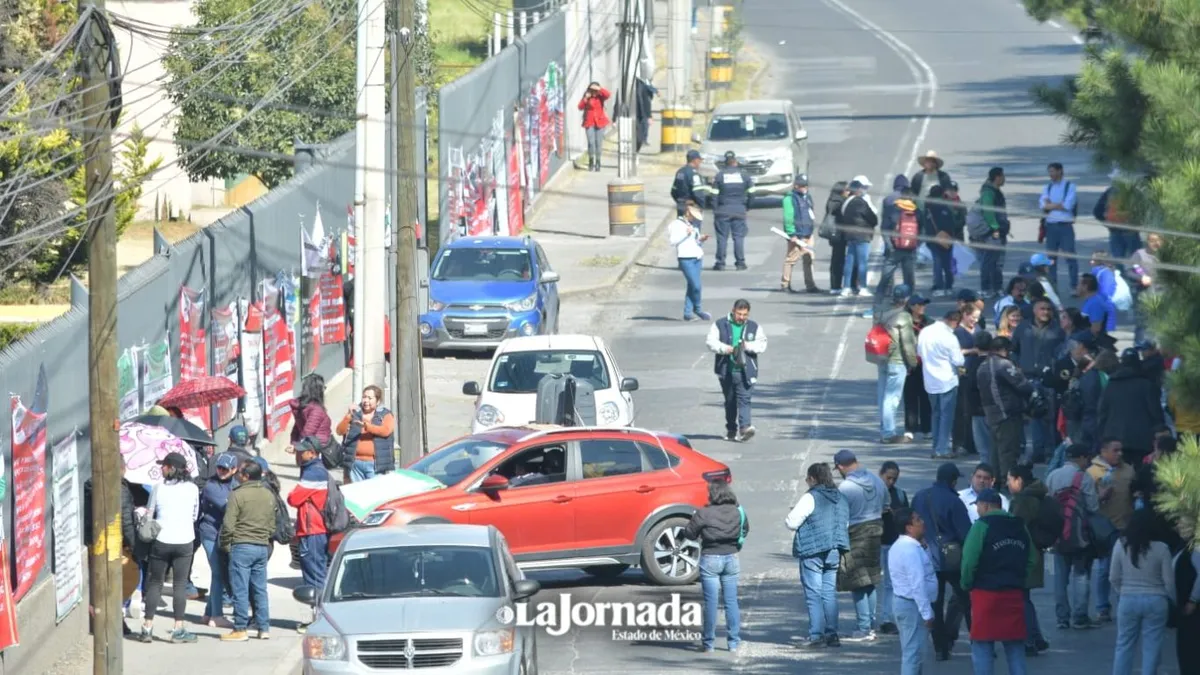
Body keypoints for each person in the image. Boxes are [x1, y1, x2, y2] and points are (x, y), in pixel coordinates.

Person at [960, 488, 1036, 675]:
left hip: (985, 595)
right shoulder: (1020, 526)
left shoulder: (981, 526)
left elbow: (969, 561)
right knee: (1015, 646)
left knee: (983, 645)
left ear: (985, 506)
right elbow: (1033, 558)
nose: (977, 510)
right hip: (1013, 593)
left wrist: (966, 583)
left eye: (978, 506)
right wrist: (1020, 579)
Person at [911, 462, 974, 661]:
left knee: (935, 604)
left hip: (928, 557)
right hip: (953, 559)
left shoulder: (920, 496)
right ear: (953, 481)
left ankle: (940, 647)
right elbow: (966, 533)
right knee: (967, 600)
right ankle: (980, 640)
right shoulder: (954, 501)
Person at [136, 452, 200, 644]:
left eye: (164, 465)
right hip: (185, 540)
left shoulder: (158, 488)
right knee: (180, 584)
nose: (161, 468)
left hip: (162, 540)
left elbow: (149, 513)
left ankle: (147, 627)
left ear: (172, 468)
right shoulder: (192, 488)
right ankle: (178, 628)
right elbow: (195, 515)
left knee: (155, 582)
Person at [786, 462, 850, 649]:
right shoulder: (841, 498)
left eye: (807, 478)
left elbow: (791, 522)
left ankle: (816, 635)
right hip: (835, 550)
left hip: (813, 551)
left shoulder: (811, 497)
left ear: (813, 478)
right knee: (829, 593)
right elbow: (845, 523)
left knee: (813, 593)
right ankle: (832, 634)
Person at [682, 480, 747, 653]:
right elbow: (745, 529)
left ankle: (709, 643)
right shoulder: (737, 511)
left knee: (711, 602)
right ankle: (733, 642)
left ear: (713, 494)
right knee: (731, 601)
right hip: (732, 557)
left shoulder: (704, 513)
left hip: (710, 558)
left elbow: (689, 533)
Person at [1110, 508, 1175, 675]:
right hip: (1156, 599)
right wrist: (1171, 599)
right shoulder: (1162, 548)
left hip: (1128, 598)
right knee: (1152, 645)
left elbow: (1113, 577)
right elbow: (1169, 582)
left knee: (1124, 644)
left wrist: (1122, 591)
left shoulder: (1121, 544)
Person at [1046, 443, 1102, 629]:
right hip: (1079, 536)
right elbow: (1093, 507)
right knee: (1080, 575)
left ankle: (1062, 617)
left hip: (1058, 535)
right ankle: (1080, 616)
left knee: (1060, 579)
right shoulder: (1083, 477)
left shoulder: (1053, 476)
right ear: (1081, 458)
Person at [834, 449, 888, 642]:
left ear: (840, 467)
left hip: (856, 533)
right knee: (870, 580)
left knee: (857, 582)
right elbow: (887, 505)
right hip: (876, 532)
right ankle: (871, 624)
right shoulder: (876, 480)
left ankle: (863, 627)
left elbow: (839, 516)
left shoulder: (845, 488)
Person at [220, 459, 277, 641]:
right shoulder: (268, 495)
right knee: (260, 589)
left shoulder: (237, 495)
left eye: (240, 473)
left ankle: (240, 628)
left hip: (242, 545)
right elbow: (271, 524)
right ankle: (264, 627)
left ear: (245, 476)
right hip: (262, 546)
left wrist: (226, 544)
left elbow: (228, 525)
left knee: (241, 589)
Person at [705, 299, 768, 442]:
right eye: (739, 314)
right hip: (726, 370)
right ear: (733, 311)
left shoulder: (754, 327)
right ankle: (731, 429)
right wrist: (726, 349)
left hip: (746, 371)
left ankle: (745, 428)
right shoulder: (720, 324)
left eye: (745, 314)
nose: (742, 317)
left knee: (745, 399)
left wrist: (747, 346)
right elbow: (710, 342)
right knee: (730, 400)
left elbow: (762, 344)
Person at [1088, 437, 1136, 623]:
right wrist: (1100, 496)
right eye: (1115, 450)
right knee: (1104, 568)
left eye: (1121, 450)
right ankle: (1102, 607)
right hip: (1104, 529)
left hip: (1126, 526)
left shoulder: (1128, 470)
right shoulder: (1092, 473)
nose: (1120, 454)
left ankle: (1123, 605)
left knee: (1126, 569)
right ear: (1104, 451)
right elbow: (1087, 502)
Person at [1012, 298, 1066, 462]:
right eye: (1042, 309)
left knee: (1049, 415)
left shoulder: (1057, 330)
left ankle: (1050, 450)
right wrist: (1017, 365)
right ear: (1035, 310)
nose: (1046, 312)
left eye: (1048, 309)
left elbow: (1062, 352)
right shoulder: (1023, 328)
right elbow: (1014, 349)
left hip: (1048, 379)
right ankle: (1037, 450)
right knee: (1033, 415)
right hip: (1027, 377)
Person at [287, 438, 332, 633]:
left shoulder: (314, 472)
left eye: (302, 451)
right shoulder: (315, 468)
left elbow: (293, 498)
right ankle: (319, 618)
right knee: (316, 575)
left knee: (314, 578)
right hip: (314, 529)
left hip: (313, 530)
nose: (298, 454)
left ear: (312, 453)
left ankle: (320, 621)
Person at [978, 336, 1035, 487]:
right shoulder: (1003, 364)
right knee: (1008, 451)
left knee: (995, 452)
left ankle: (995, 481)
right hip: (1007, 414)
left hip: (991, 414)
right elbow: (1023, 385)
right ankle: (1008, 483)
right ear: (1003, 350)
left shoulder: (982, 366)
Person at [1007, 464, 1051, 656]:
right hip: (1035, 551)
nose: (1007, 484)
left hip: (1023, 554)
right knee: (1024, 598)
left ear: (1018, 480)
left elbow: (1014, 526)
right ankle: (1036, 637)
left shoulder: (1022, 501)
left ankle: (1030, 639)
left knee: (1021, 598)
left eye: (1009, 480)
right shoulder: (1038, 495)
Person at [887, 507, 938, 675]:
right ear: (909, 527)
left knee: (914, 652)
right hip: (912, 606)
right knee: (913, 654)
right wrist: (926, 613)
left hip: (907, 604)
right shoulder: (909, 550)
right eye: (917, 520)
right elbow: (917, 584)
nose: (922, 522)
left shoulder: (907, 546)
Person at [1100, 349, 1166, 466]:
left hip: (1115, 439)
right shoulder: (1146, 385)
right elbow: (1156, 414)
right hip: (1142, 441)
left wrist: (1103, 437)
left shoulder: (1111, 385)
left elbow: (1102, 413)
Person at [198, 452, 240, 628]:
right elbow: (228, 507)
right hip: (210, 532)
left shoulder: (236, 485)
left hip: (224, 534)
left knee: (219, 573)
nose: (221, 471)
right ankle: (216, 616)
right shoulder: (211, 486)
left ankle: (208, 614)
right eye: (219, 467)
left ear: (234, 469)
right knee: (218, 573)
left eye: (225, 468)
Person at [918, 310, 966, 459]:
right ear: (954, 321)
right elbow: (959, 361)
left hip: (930, 379)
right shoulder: (949, 337)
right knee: (946, 415)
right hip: (947, 379)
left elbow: (919, 351)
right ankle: (942, 448)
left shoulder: (925, 331)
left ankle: (936, 446)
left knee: (936, 413)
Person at [878, 284, 919, 444]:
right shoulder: (904, 316)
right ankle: (888, 433)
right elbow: (908, 344)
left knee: (882, 396)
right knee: (892, 398)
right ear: (907, 299)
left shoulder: (882, 311)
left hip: (881, 357)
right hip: (897, 360)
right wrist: (913, 362)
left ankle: (884, 428)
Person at [336, 385, 396, 482]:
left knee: (373, 494)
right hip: (355, 463)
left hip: (375, 464)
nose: (366, 400)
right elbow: (339, 431)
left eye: (370, 398)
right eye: (364, 397)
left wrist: (366, 426)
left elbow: (385, 431)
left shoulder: (385, 414)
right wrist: (348, 416)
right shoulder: (355, 413)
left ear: (378, 401)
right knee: (357, 494)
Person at [878, 461, 911, 635]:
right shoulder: (874, 493)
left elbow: (907, 517)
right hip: (874, 541)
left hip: (893, 543)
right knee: (872, 582)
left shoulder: (900, 494)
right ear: (881, 474)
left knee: (891, 584)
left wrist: (895, 513)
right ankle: (867, 620)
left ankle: (887, 619)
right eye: (888, 477)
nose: (891, 482)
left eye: (894, 479)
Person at [668, 200, 712, 322]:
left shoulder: (692, 225)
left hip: (697, 257)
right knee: (696, 286)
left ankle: (688, 313)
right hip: (685, 258)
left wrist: (701, 239)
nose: (695, 218)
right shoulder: (676, 224)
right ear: (688, 212)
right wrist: (685, 234)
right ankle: (697, 309)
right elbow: (673, 241)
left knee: (692, 286)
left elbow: (694, 241)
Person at [710, 152, 754, 271]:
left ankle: (720, 263)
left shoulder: (719, 176)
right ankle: (740, 263)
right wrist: (747, 206)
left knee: (722, 237)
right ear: (736, 162)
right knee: (738, 237)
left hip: (723, 209)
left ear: (725, 163)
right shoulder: (744, 175)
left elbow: (714, 195)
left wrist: (715, 209)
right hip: (739, 209)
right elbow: (752, 193)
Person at [1039, 162, 1079, 290]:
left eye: (1052, 171)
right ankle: (1053, 286)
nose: (1050, 174)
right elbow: (1043, 205)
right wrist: (1058, 205)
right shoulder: (1047, 187)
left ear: (1060, 171)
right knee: (1051, 258)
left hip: (1065, 226)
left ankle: (1074, 285)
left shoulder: (1070, 186)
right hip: (1051, 227)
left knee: (1070, 257)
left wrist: (1052, 205)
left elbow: (1067, 205)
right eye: (1049, 172)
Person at [876, 177, 918, 296]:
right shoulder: (916, 211)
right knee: (909, 278)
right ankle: (910, 302)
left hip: (894, 248)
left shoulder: (891, 208)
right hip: (910, 248)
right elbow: (922, 231)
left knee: (886, 277)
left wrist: (889, 245)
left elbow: (884, 228)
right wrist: (916, 245)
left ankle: (883, 299)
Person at [837, 176, 878, 297]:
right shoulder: (861, 202)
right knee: (862, 262)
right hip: (862, 235)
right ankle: (863, 287)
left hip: (849, 235)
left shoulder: (846, 202)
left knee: (849, 261)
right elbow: (873, 218)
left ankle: (846, 287)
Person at [780, 174, 819, 292]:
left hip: (808, 233)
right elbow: (788, 217)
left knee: (809, 259)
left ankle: (810, 285)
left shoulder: (807, 197)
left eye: (806, 185)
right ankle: (785, 284)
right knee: (791, 259)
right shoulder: (789, 199)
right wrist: (792, 234)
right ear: (796, 185)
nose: (805, 188)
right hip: (797, 235)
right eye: (802, 185)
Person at [955, 306, 985, 459]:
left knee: (974, 410)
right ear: (965, 315)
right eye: (973, 317)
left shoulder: (978, 329)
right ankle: (961, 443)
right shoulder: (958, 332)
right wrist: (972, 350)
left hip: (978, 373)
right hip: (963, 373)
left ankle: (973, 443)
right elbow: (955, 351)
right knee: (963, 410)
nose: (976, 320)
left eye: (978, 317)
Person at [902, 296, 933, 441]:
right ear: (912, 306)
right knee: (910, 397)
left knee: (926, 397)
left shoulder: (929, 322)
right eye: (920, 304)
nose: (923, 307)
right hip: (909, 364)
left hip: (926, 364)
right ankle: (910, 428)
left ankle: (927, 428)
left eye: (924, 304)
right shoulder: (903, 322)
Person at [978, 167, 1010, 297]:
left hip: (999, 230)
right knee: (989, 260)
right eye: (1002, 176)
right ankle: (986, 288)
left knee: (997, 261)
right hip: (992, 232)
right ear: (997, 177)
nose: (1004, 179)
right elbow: (988, 212)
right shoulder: (988, 192)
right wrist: (995, 228)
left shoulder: (994, 191)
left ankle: (997, 287)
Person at [927, 182, 963, 296]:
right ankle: (949, 286)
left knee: (937, 263)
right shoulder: (946, 207)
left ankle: (939, 286)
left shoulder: (928, 208)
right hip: (947, 239)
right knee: (947, 263)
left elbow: (924, 224)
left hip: (932, 240)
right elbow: (952, 223)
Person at [1128, 233, 1161, 344]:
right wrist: (1140, 277)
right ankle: (1138, 349)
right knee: (1142, 325)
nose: (1156, 243)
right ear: (1147, 241)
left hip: (1162, 294)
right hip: (1144, 295)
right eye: (1152, 241)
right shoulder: (1139, 255)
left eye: (1158, 240)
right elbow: (1129, 271)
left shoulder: (1166, 256)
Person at [1173, 544, 1200, 673]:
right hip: (1185, 604)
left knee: (1189, 647)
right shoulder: (1185, 549)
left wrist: (1193, 599)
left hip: (1192, 606)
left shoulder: (1195, 550)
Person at [289, 373, 332, 454]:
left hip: (308, 450)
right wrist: (296, 447)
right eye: (323, 388)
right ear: (318, 390)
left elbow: (297, 429)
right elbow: (307, 432)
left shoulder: (302, 407)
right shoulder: (316, 410)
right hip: (317, 451)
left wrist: (294, 444)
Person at [824, 180, 853, 294]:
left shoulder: (832, 200)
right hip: (838, 233)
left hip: (836, 234)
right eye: (847, 190)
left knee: (837, 259)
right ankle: (837, 285)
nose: (848, 192)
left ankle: (835, 285)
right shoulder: (839, 202)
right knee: (839, 260)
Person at [578, 82, 610, 171]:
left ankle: (598, 162)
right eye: (592, 90)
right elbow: (580, 107)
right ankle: (591, 161)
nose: (594, 92)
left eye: (595, 90)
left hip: (600, 122)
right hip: (589, 122)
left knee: (598, 143)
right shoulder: (587, 97)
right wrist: (585, 98)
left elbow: (608, 94)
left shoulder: (601, 96)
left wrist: (599, 88)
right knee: (591, 143)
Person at [671, 150, 709, 215]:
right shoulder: (694, 174)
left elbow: (673, 191)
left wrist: (680, 202)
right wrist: (701, 206)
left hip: (681, 207)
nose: (700, 162)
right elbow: (698, 193)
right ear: (695, 160)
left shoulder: (680, 171)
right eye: (699, 160)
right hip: (692, 208)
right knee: (693, 225)